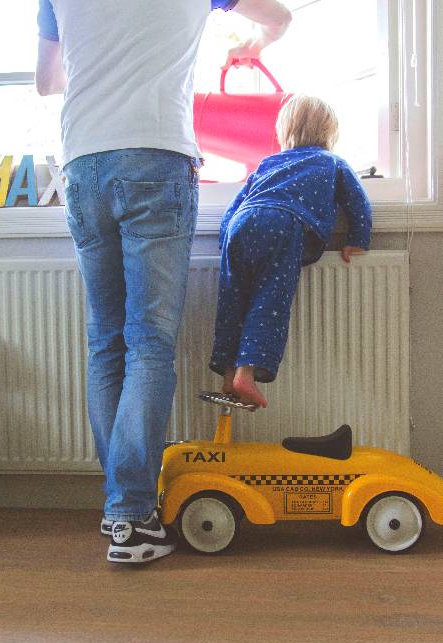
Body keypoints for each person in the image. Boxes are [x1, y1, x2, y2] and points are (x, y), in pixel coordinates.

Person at [35, 0, 292, 564]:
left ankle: (123, 512)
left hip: (83, 162)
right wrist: (251, 47)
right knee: (149, 343)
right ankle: (131, 514)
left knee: (107, 342)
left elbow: (45, 81)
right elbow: (278, 17)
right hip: (155, 154)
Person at [209, 94, 372, 409]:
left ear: (285, 132)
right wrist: (357, 238)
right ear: (329, 134)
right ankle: (246, 373)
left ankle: (228, 374)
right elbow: (358, 202)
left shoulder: (269, 163)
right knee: (269, 301)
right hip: (283, 224)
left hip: (241, 224)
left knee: (233, 299)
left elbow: (234, 206)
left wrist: (225, 242)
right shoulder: (331, 162)